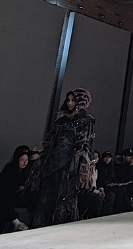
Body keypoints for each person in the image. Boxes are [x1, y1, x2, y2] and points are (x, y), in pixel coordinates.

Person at [30, 89, 96, 227]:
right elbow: (49, 142)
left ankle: (60, 228)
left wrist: (83, 170)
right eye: (68, 100)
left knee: (64, 199)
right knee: (47, 198)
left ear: (81, 102)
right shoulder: (60, 121)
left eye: (73, 100)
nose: (70, 103)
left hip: (70, 166)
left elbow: (85, 146)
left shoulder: (86, 121)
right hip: (51, 164)